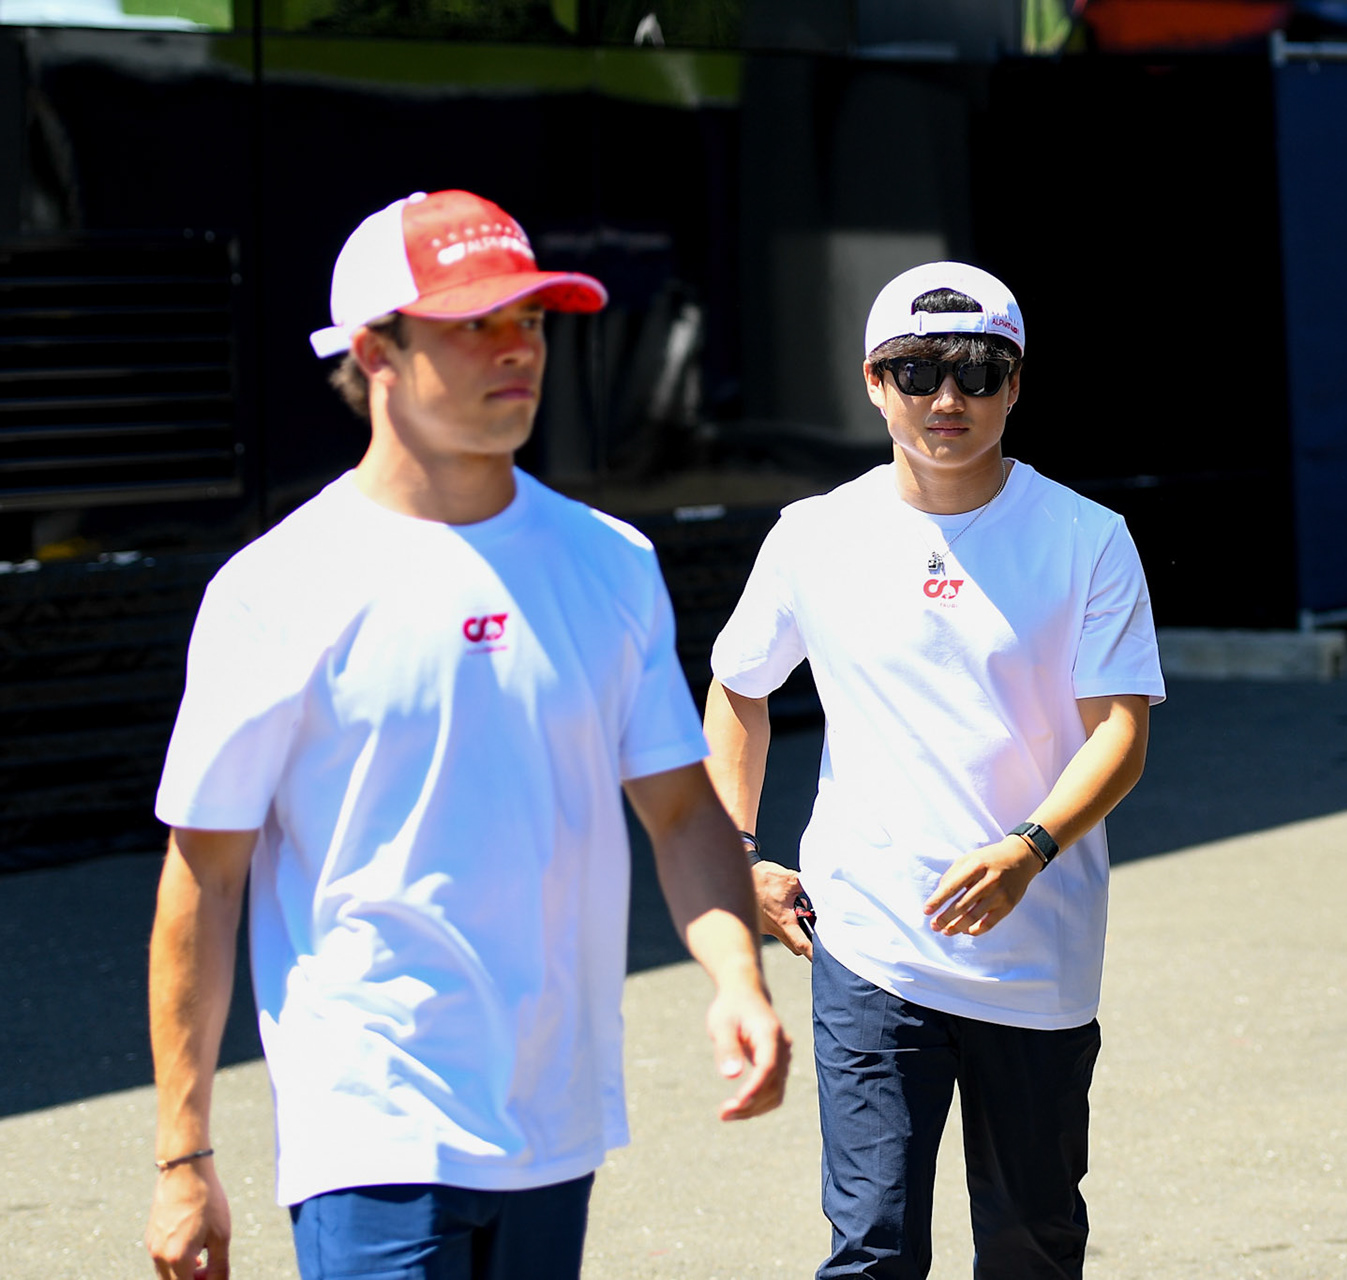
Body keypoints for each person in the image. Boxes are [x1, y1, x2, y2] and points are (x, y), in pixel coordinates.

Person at [143, 189, 789, 1280]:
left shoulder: (610, 561)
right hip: (370, 1125)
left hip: (555, 1116)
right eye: (473, 321)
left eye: (530, 319)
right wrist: (182, 1153)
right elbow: (203, 876)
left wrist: (737, 974)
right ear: (373, 352)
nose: (516, 348)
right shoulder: (273, 590)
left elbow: (680, 808)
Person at [703, 262, 1163, 1279]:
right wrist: (738, 851)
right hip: (871, 944)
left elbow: (1120, 730)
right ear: (873, 381)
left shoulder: (1085, 538)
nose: (946, 397)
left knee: (1031, 1243)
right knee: (871, 1245)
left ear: (1016, 384)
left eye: (976, 370)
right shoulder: (816, 535)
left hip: (1035, 951)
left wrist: (1029, 848)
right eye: (916, 370)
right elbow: (739, 687)